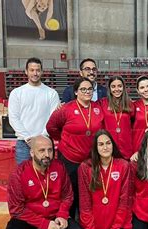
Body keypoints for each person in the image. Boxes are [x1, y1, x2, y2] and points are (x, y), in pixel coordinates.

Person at [4, 135, 84, 229]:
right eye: (41, 151)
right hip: (30, 220)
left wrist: (63, 214)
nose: (47, 155)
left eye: (50, 150)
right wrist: (44, 224)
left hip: (54, 217)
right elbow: (16, 209)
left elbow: (67, 195)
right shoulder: (18, 174)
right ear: (31, 152)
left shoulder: (59, 167)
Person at [47, 78, 104, 220]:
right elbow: (51, 127)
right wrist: (64, 139)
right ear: (76, 92)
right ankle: (69, 225)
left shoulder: (97, 107)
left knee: (88, 194)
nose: (87, 92)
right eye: (83, 89)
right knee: (70, 193)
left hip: (91, 160)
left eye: (89, 89)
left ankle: (87, 226)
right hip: (69, 159)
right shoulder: (66, 109)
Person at [78, 130, 131, 229]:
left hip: (115, 226)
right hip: (94, 227)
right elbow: (84, 203)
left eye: (108, 143)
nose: (105, 147)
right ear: (95, 148)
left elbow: (124, 200)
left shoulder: (123, 165)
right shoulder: (85, 167)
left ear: (113, 145)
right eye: (100, 144)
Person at [8, 57, 60, 164]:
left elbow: (53, 119)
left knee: (45, 176)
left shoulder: (51, 93)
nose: (35, 73)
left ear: (42, 72)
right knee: (23, 176)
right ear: (26, 71)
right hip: (24, 143)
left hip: (45, 143)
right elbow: (13, 118)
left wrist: (41, 138)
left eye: (38, 70)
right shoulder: (17, 93)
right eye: (32, 70)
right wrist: (28, 138)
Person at [100, 76, 135, 160]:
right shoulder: (102, 103)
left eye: (119, 86)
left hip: (126, 147)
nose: (117, 89)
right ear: (109, 89)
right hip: (109, 147)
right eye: (113, 86)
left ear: (123, 87)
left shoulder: (130, 104)